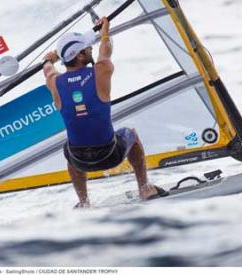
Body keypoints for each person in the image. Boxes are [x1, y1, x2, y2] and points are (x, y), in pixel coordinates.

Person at [43, 17, 168, 208]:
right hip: (110, 154)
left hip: (80, 160)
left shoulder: (55, 83)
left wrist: (49, 59)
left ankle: (83, 202)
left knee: (69, 148)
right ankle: (144, 187)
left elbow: (48, 70)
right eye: (87, 48)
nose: (91, 49)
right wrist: (105, 32)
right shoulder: (101, 71)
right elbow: (106, 50)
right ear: (80, 55)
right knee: (131, 134)